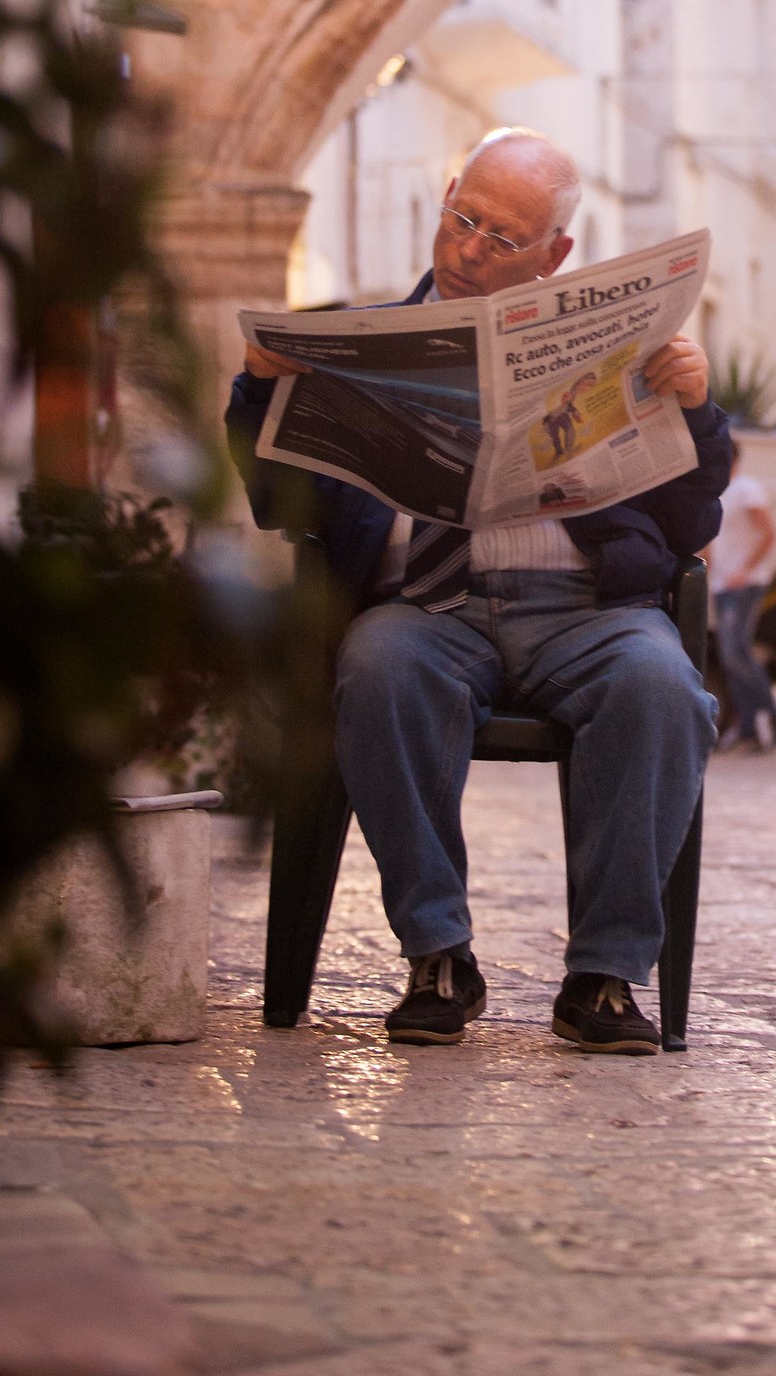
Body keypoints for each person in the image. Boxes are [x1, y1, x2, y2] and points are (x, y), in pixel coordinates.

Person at [226, 128, 729, 1056]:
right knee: (378, 667)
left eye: (504, 240)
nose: (469, 250)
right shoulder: (360, 344)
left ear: (556, 255)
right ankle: (439, 956)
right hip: (423, 610)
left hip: (587, 611)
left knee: (662, 689)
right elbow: (274, 502)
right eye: (464, 219)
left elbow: (695, 519)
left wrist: (693, 407)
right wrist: (259, 391)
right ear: (447, 193)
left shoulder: (614, 347)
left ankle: (606, 977)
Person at [708, 438, 776, 751]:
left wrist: (744, 570)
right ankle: (749, 728)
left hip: (745, 584)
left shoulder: (747, 488)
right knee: (728, 656)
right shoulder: (719, 493)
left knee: (738, 652)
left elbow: (769, 533)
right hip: (722, 585)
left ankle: (775, 715)